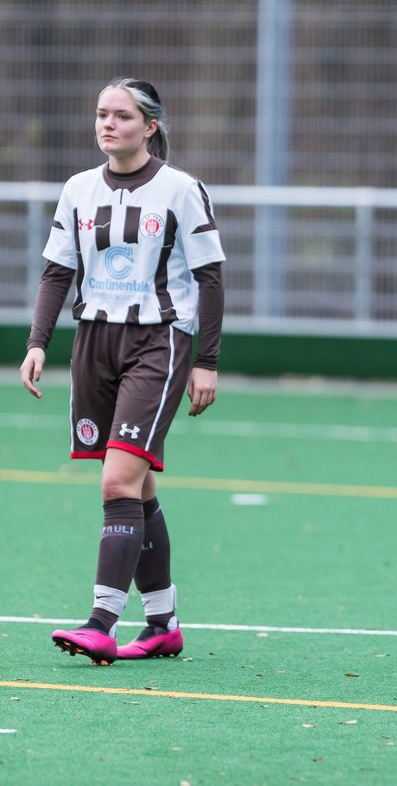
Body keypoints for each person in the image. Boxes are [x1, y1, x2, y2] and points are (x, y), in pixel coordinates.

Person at [19, 77, 226, 664]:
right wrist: (38, 342)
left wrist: (205, 361)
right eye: (101, 114)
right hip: (94, 343)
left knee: (116, 484)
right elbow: (57, 272)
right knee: (140, 485)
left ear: (150, 126)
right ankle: (162, 622)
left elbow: (209, 278)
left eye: (123, 116)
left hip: (156, 345)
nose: (108, 124)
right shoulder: (78, 189)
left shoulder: (182, 190)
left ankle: (102, 620)